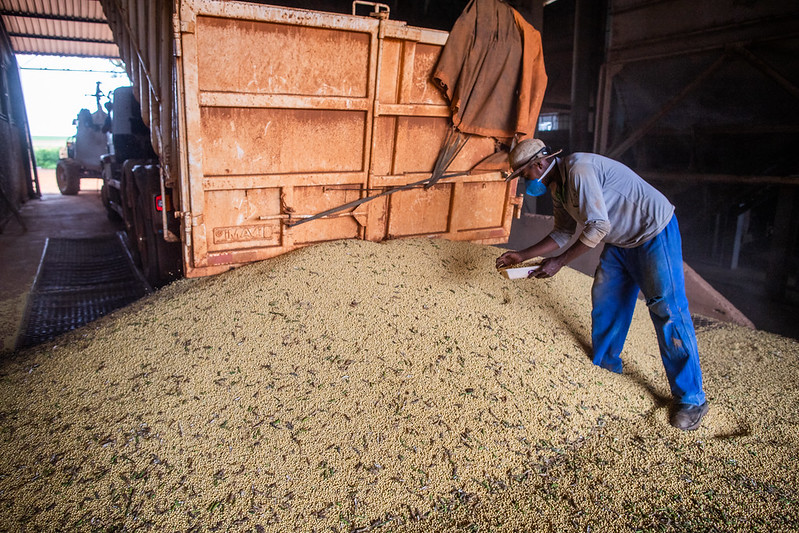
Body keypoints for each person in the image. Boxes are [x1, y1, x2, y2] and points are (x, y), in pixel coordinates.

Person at [496, 138, 708, 431]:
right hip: (622, 242)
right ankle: (606, 368)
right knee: (606, 301)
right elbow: (561, 232)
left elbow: (598, 226)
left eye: (524, 174)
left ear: (540, 164)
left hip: (653, 232)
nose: (524, 181)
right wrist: (522, 254)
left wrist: (560, 262)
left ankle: (691, 399)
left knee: (666, 308)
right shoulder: (558, 188)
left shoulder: (579, 170)